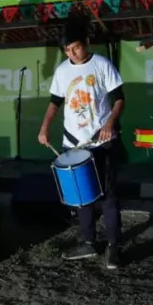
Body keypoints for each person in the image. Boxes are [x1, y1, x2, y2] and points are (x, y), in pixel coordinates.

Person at [38, 21, 126, 269]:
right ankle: (88, 241)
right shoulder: (62, 70)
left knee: (107, 195)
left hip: (101, 140)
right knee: (82, 195)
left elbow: (119, 99)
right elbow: (55, 102)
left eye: (75, 47)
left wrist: (110, 123)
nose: (72, 54)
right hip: (73, 143)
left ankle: (114, 245)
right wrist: (44, 127)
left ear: (85, 42)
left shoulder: (101, 65)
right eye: (67, 50)